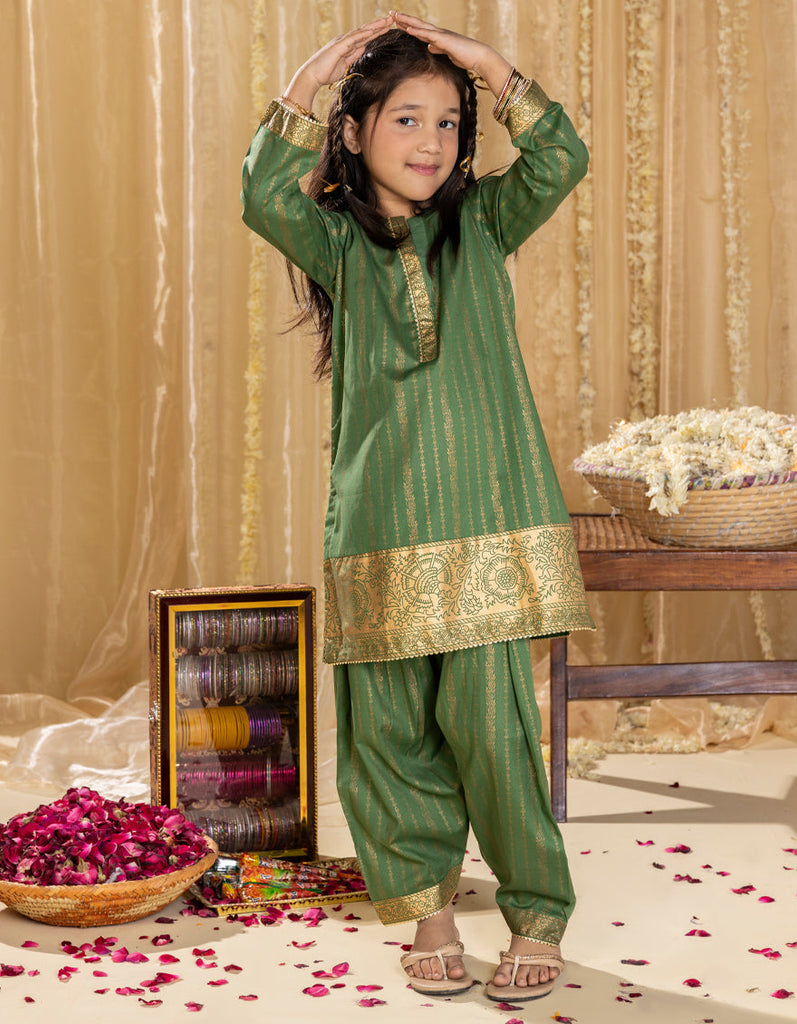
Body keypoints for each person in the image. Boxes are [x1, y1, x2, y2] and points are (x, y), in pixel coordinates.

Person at [241, 11, 593, 1003]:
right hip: (381, 523)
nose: (431, 141)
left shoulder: (483, 222)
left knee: (493, 731)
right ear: (355, 133)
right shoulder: (332, 241)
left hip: (485, 517)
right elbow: (263, 190)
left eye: (448, 122)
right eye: (405, 119)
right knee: (388, 729)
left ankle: (536, 910)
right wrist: (313, 77)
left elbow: (560, 157)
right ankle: (426, 911)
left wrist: (486, 66)